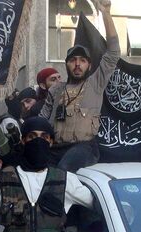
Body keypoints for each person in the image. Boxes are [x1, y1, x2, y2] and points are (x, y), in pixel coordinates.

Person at [40, 0, 119, 173]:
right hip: (56, 147)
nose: (77, 64)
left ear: (89, 66)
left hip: (85, 148)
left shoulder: (95, 83)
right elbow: (42, 120)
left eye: (82, 61)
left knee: (63, 169)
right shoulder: (56, 90)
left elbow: (113, 52)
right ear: (66, 64)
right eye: (73, 60)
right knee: (35, 166)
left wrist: (106, 13)